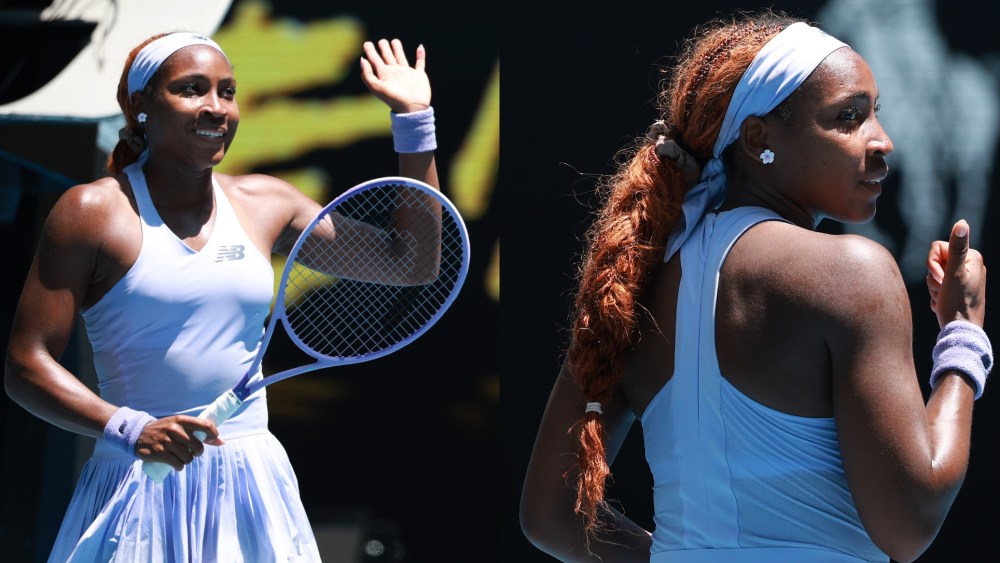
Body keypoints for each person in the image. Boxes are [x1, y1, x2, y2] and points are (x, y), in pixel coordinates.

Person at [520, 10, 991, 563]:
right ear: (758, 138)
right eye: (848, 117)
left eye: (874, 114)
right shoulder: (855, 272)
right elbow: (911, 526)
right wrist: (962, 334)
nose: (882, 142)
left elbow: (550, 519)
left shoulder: (636, 283)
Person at [4, 31, 439, 561]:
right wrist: (132, 428)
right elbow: (26, 365)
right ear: (141, 108)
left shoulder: (266, 202)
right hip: (136, 478)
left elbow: (411, 263)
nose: (216, 108)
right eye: (191, 89)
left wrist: (415, 121)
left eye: (227, 92)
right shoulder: (90, 211)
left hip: (253, 483)